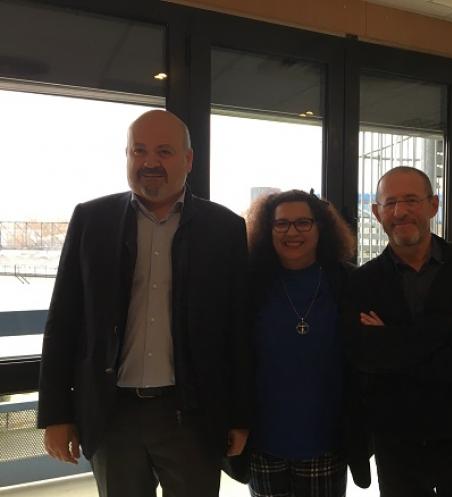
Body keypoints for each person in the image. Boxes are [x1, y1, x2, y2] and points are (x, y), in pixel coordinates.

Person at [37, 109, 253, 497]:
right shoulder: (91, 219)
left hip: (192, 415)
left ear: (188, 160)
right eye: (139, 151)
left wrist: (239, 415)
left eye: (164, 151)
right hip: (111, 415)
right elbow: (63, 322)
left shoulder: (224, 229)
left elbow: (237, 330)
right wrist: (55, 414)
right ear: (127, 156)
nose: (150, 162)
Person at [345, 166, 452, 497]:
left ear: (433, 205)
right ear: (377, 213)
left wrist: (396, 342)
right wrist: (451, 326)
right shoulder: (363, 281)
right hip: (396, 437)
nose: (400, 212)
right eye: (389, 203)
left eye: (411, 200)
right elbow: (367, 357)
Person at [244, 190, 371, 497]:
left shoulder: (347, 283)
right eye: (281, 224)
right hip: (263, 440)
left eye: (303, 223)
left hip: (326, 439)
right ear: (267, 229)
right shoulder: (249, 283)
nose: (292, 232)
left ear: (320, 228)